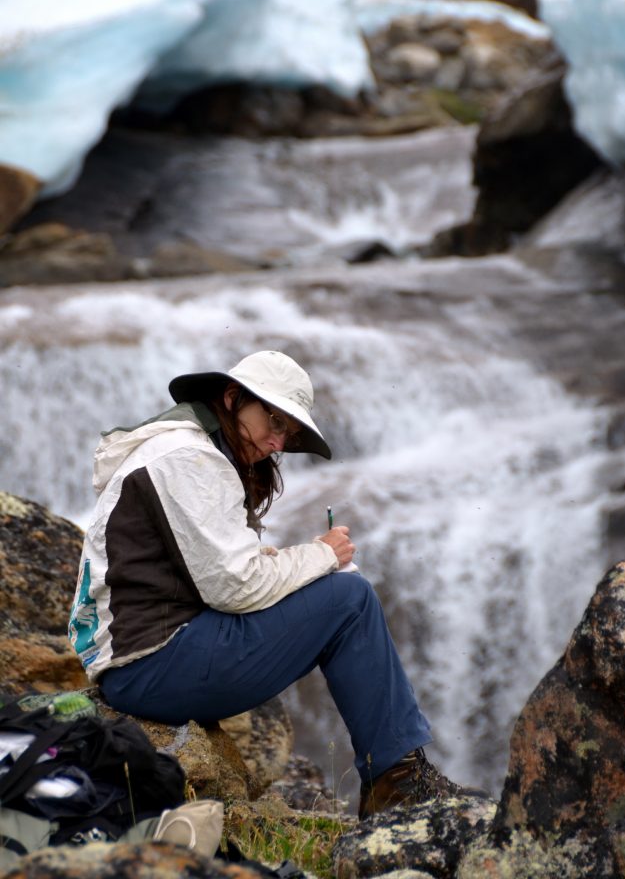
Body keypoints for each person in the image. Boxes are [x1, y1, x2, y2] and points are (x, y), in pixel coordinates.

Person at [68, 350, 458, 818]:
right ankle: (398, 784)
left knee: (333, 592)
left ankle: (397, 776)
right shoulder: (189, 458)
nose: (277, 443)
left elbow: (210, 571)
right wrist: (322, 555)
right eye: (274, 422)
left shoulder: (182, 450)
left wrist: (306, 565)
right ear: (232, 398)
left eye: (287, 435)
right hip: (155, 666)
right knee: (350, 599)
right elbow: (235, 587)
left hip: (145, 663)